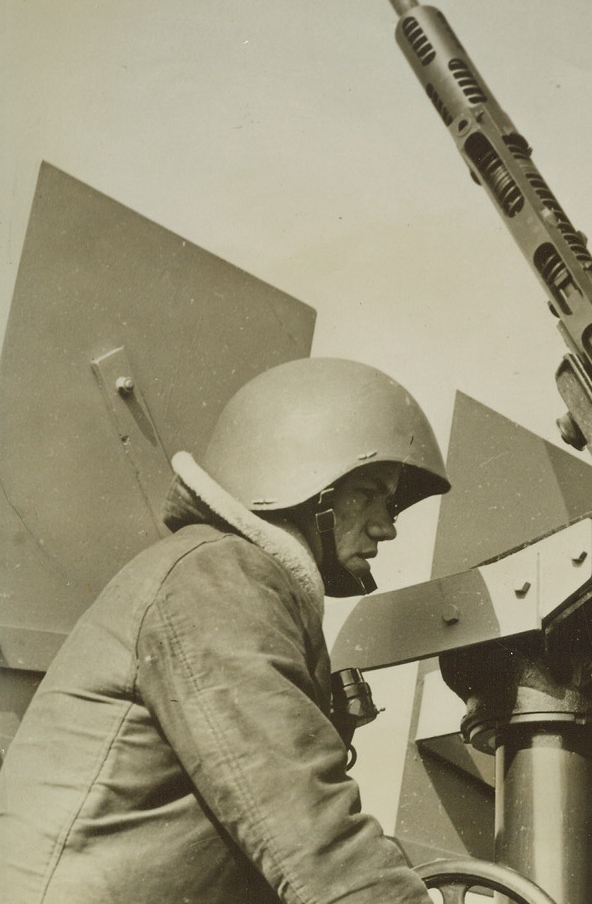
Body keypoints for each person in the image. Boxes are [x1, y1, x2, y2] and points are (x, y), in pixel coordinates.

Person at [0, 358, 450, 904]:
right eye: (371, 492)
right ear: (307, 480)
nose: (387, 525)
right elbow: (306, 825)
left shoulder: (231, 579)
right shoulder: (220, 577)